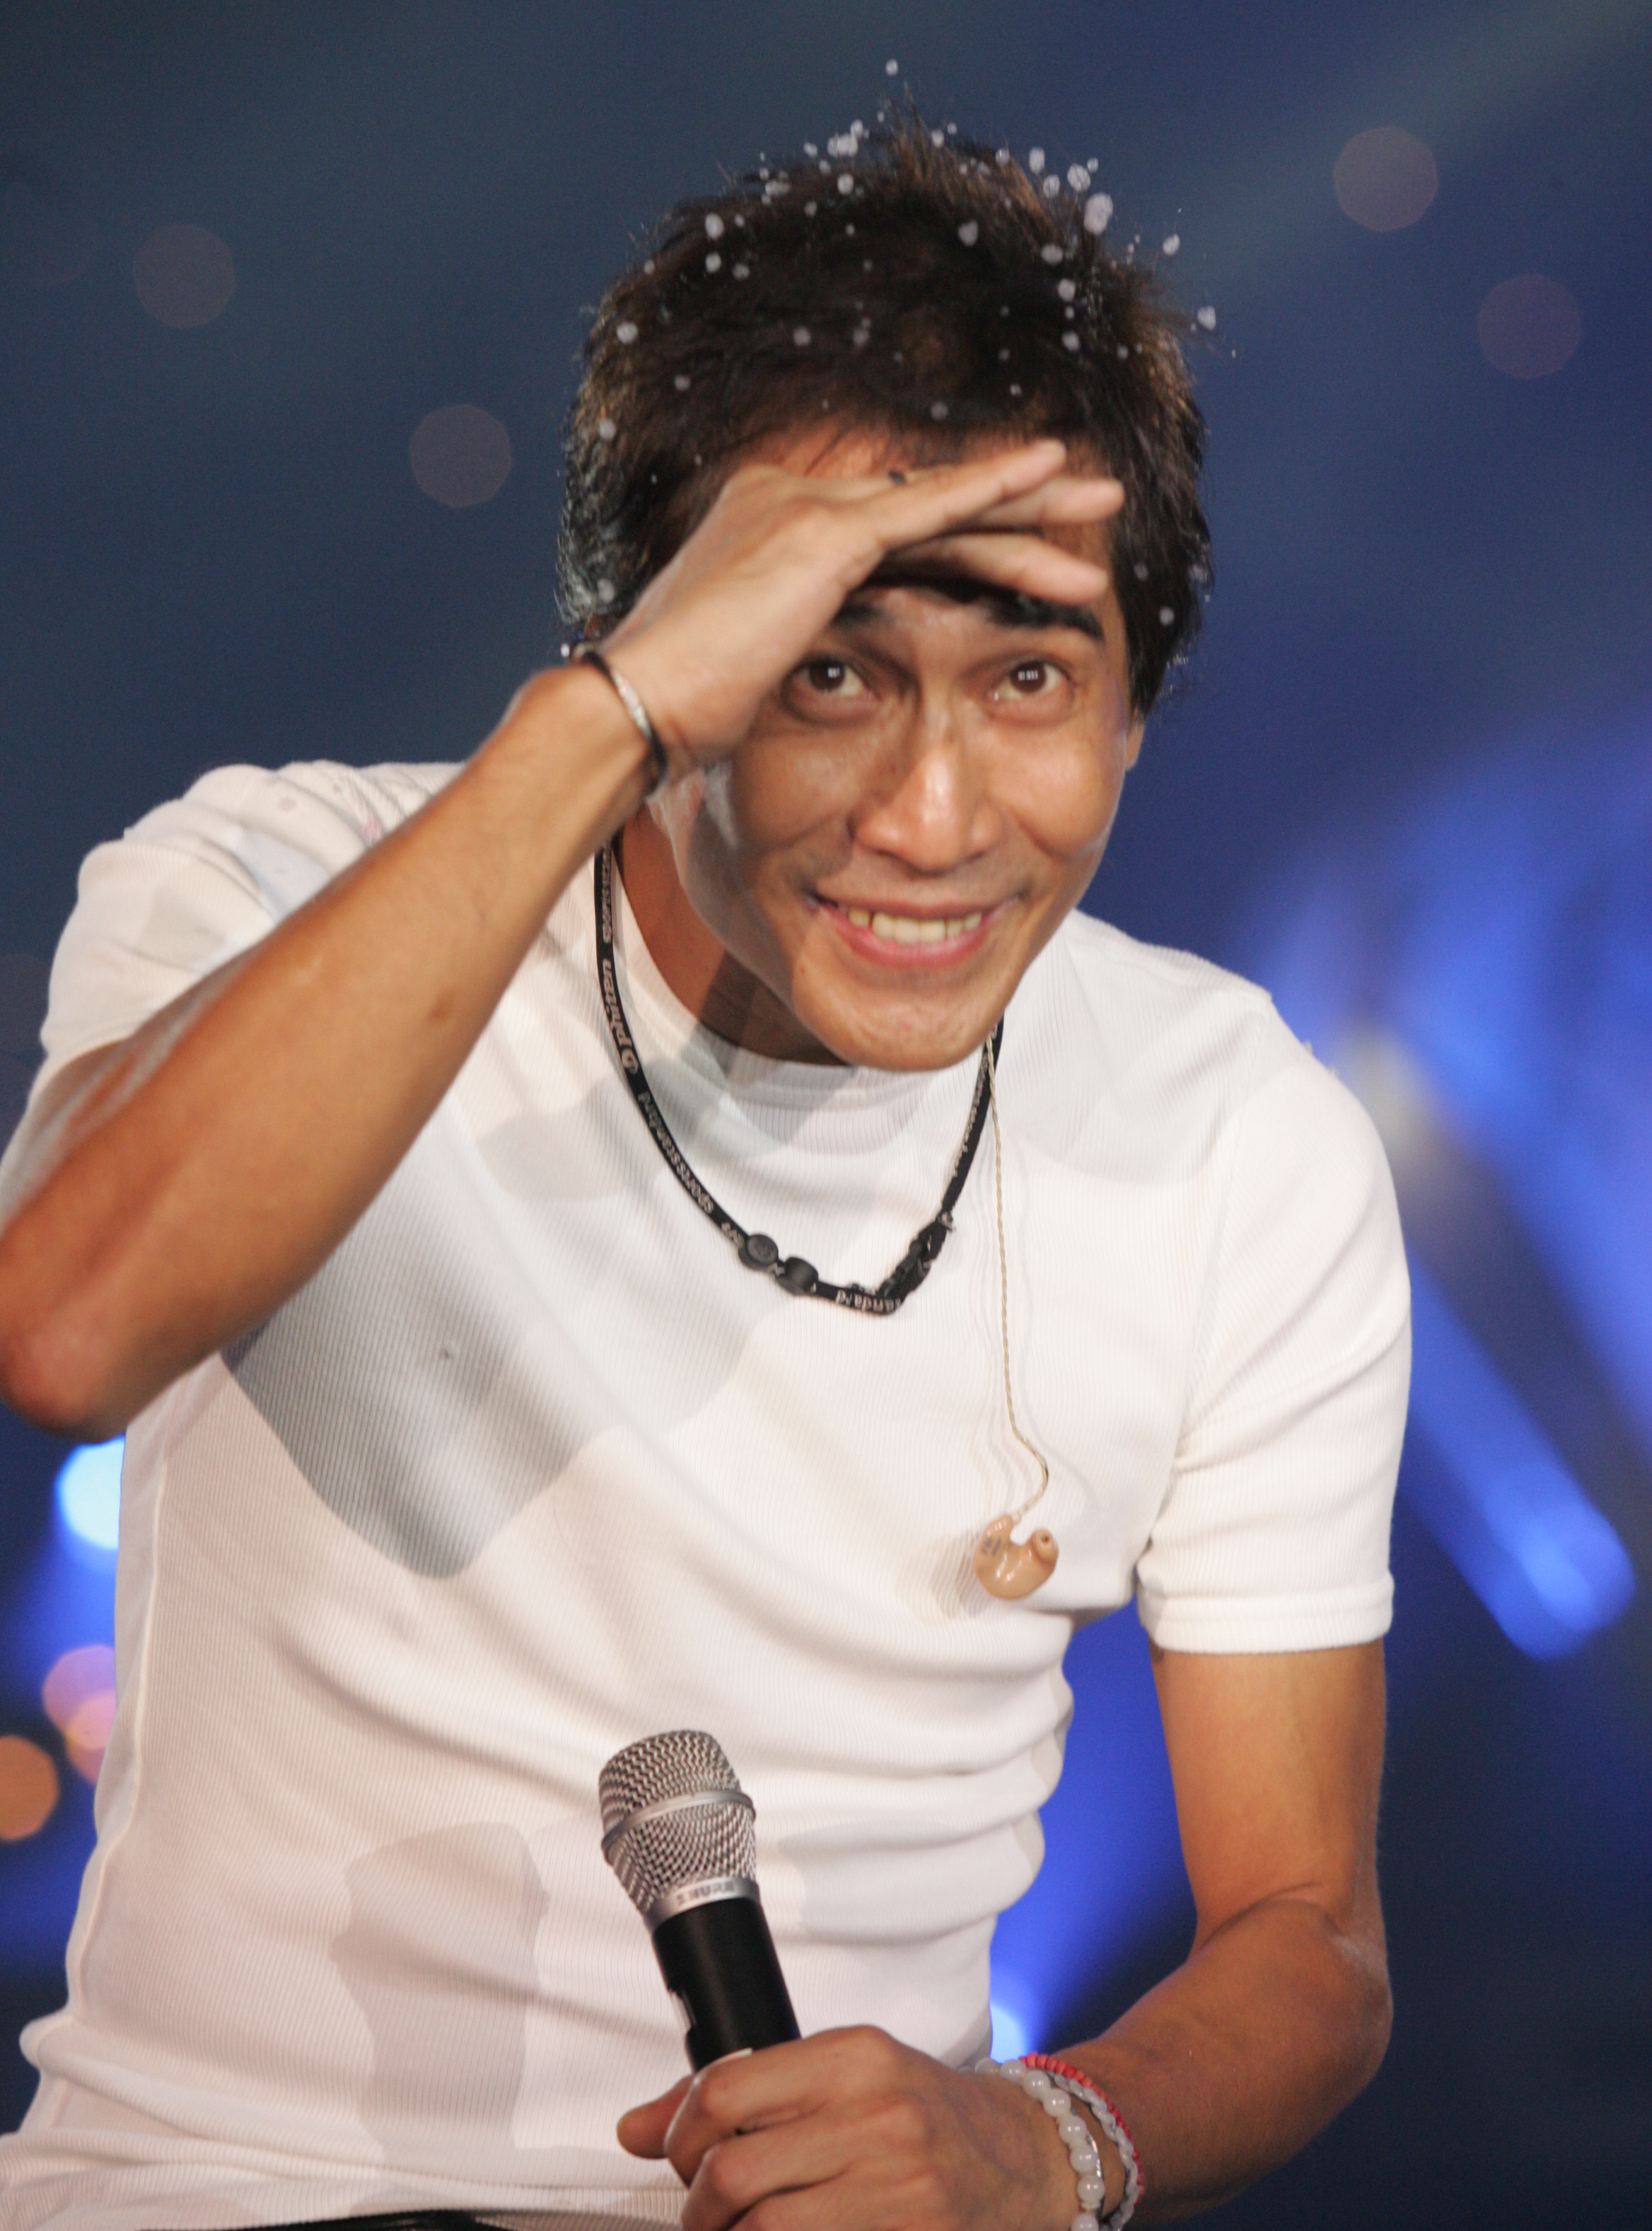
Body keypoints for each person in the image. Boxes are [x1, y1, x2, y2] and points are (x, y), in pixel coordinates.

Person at [0, 117, 1408, 2231]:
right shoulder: (273, 884)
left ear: (1137, 708)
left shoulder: (1233, 1130)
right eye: (826, 668)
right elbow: (66, 1326)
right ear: (656, 637)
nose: (933, 819)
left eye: (1032, 678)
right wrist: (619, 710)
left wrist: (1040, 2138)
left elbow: (1309, 1942)